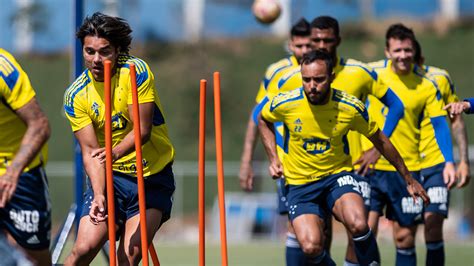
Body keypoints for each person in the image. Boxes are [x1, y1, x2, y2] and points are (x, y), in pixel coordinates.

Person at [258, 50, 429, 265]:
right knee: (311, 246)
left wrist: (409, 179)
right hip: (300, 184)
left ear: (332, 77)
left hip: (336, 177)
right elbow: (263, 119)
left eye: (319, 80)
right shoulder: (286, 102)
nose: (312, 85)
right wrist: (274, 158)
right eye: (306, 79)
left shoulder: (349, 107)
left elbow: (381, 140)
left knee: (358, 223)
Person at [63, 13, 175, 265]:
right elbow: (91, 152)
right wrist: (100, 193)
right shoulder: (76, 96)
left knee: (128, 257)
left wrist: (112, 153)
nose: (96, 59)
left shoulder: (135, 72)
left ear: (118, 50)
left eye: (104, 52)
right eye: (89, 51)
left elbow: (142, 130)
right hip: (111, 179)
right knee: (83, 247)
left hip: (151, 177)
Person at [356, 24, 453, 266]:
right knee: (365, 231)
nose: (403, 56)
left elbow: (440, 125)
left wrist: (449, 161)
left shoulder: (426, 85)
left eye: (407, 50)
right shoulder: (370, 74)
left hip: (405, 169)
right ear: (387, 51)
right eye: (397, 50)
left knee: (405, 237)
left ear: (414, 50)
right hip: (369, 167)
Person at [239, 17, 313, 265]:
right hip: (288, 161)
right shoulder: (277, 73)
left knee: (321, 230)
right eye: (299, 45)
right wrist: (247, 160)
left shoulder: (321, 71)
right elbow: (257, 115)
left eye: (308, 45)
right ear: (290, 45)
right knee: (295, 224)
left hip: (324, 159)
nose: (304, 50)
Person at [414, 40, 470, 266]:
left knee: (433, 222)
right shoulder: (383, 82)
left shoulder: (439, 79)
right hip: (403, 165)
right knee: (404, 233)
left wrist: (462, 161)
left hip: (437, 162)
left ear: (420, 60)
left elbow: (453, 121)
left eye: (412, 58)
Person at [0, 48, 51, 265]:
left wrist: (12, 173)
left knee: (33, 256)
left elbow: (40, 125)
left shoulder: (3, 68)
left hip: (20, 178)